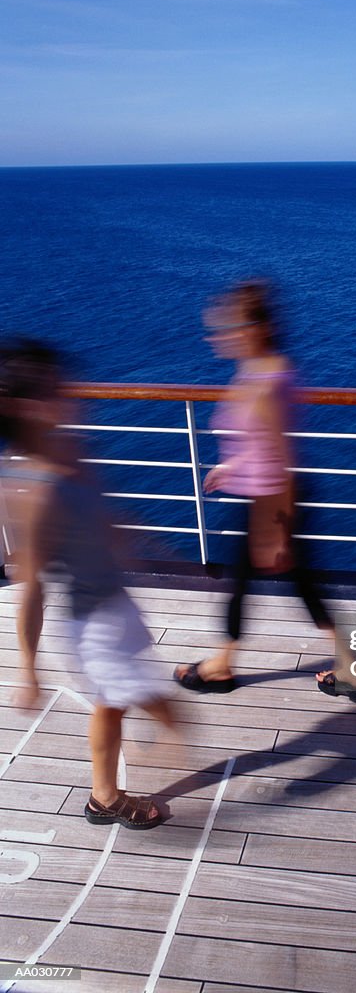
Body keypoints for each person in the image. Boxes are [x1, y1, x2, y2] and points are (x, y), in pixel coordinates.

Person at [0, 339, 175, 830]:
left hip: (114, 598)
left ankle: (144, 762)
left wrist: (133, 537)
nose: (68, 394)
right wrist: (29, 669)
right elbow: (30, 585)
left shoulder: (67, 447)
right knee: (114, 702)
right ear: (25, 407)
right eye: (55, 389)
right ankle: (106, 798)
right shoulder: (26, 486)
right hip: (88, 619)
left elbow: (95, 511)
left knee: (123, 700)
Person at [173, 279, 356, 704]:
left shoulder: (268, 381)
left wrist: (277, 524)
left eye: (226, 327)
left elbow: (279, 450)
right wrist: (232, 465)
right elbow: (259, 441)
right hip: (260, 496)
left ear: (254, 328)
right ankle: (226, 664)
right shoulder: (257, 370)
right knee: (277, 585)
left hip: (270, 502)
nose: (217, 337)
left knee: (287, 585)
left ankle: (223, 667)